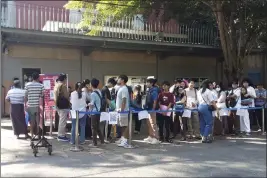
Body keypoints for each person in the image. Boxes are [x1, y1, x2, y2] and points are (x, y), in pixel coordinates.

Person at [25, 73, 44, 139]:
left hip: (30, 106)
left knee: (32, 122)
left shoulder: (27, 85)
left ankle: (32, 135)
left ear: (32, 78)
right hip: (38, 106)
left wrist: (25, 105)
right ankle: (39, 136)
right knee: (38, 121)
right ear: (38, 78)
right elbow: (42, 96)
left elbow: (25, 96)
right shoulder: (41, 86)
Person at [197, 79, 217, 143]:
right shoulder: (208, 91)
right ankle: (205, 137)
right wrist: (217, 108)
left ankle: (202, 135)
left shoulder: (199, 91)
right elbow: (212, 101)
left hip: (200, 107)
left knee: (202, 122)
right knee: (209, 123)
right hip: (206, 107)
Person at [115, 75, 131, 148]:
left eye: (119, 79)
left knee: (124, 125)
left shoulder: (124, 89)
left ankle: (125, 141)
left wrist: (122, 109)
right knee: (121, 125)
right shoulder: (121, 88)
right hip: (120, 110)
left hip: (123, 111)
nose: (117, 80)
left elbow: (124, 99)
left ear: (122, 80)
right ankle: (122, 138)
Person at [143, 77, 161, 144]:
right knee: (149, 123)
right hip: (147, 108)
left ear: (151, 83)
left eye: (148, 82)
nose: (146, 83)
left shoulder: (154, 90)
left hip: (152, 109)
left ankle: (156, 138)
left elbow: (155, 101)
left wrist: (153, 109)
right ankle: (150, 136)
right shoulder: (148, 90)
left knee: (153, 123)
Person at [88, 78, 105, 147]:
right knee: (97, 127)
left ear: (91, 85)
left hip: (94, 112)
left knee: (93, 128)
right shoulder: (99, 91)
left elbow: (92, 104)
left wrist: (88, 106)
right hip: (99, 112)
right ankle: (102, 140)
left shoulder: (93, 94)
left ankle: (94, 143)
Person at [54, 73, 70, 142]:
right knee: (63, 121)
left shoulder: (56, 85)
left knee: (61, 120)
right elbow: (66, 96)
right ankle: (61, 136)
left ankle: (61, 134)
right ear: (64, 79)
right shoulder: (63, 86)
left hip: (57, 104)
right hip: (63, 105)